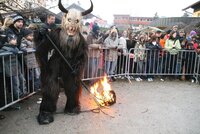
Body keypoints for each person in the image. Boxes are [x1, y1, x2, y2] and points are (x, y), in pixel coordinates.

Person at [1, 34, 27, 99]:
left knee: (22, 80)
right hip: (10, 69)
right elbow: (1, 54)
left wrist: (21, 50)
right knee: (16, 83)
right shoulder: (4, 48)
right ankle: (18, 95)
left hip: (17, 67)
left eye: (16, 39)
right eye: (14, 39)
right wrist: (9, 50)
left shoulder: (15, 48)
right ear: (8, 40)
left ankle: (24, 92)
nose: (16, 41)